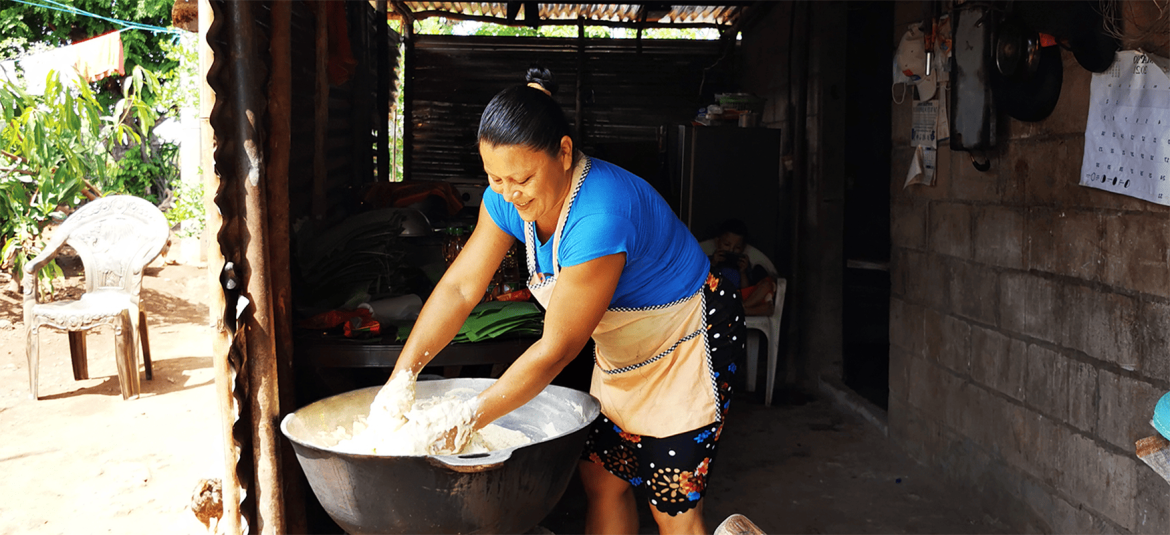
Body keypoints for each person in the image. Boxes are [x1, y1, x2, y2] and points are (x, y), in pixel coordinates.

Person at [372, 67, 746, 534]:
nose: (509, 193)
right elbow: (459, 288)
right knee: (602, 476)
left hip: (689, 339)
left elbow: (557, 349)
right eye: (495, 177)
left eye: (522, 178)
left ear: (564, 152)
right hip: (627, 349)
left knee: (671, 501)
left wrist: (466, 418)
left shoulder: (598, 216)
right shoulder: (507, 197)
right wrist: (402, 377)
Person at [708, 219, 777, 317]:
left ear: (743, 248)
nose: (731, 250)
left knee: (768, 285)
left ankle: (740, 309)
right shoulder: (709, 261)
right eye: (727, 245)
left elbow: (746, 290)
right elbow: (703, 284)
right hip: (718, 297)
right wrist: (713, 264)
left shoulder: (742, 264)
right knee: (766, 309)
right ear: (717, 242)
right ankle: (740, 310)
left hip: (739, 298)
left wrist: (743, 272)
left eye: (737, 248)